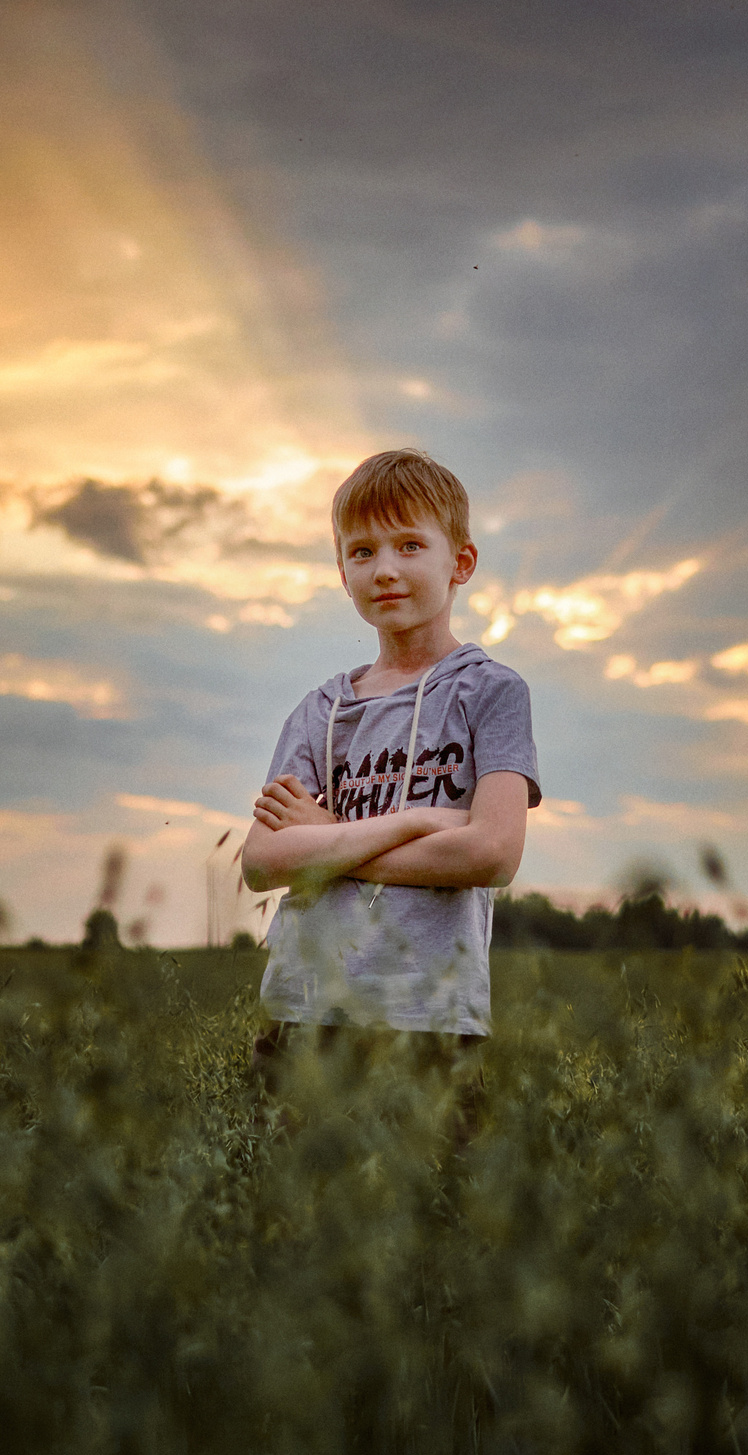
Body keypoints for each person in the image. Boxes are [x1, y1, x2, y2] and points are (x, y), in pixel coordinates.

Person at [242, 449, 540, 1131]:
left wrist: (323, 837)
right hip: (303, 1012)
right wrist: (420, 824)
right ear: (341, 569)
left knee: (434, 1223)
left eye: (410, 544)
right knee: (284, 1221)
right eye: (362, 550)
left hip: (430, 1019)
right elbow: (261, 862)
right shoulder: (318, 712)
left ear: (459, 563)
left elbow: (492, 854)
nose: (385, 569)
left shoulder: (490, 693)